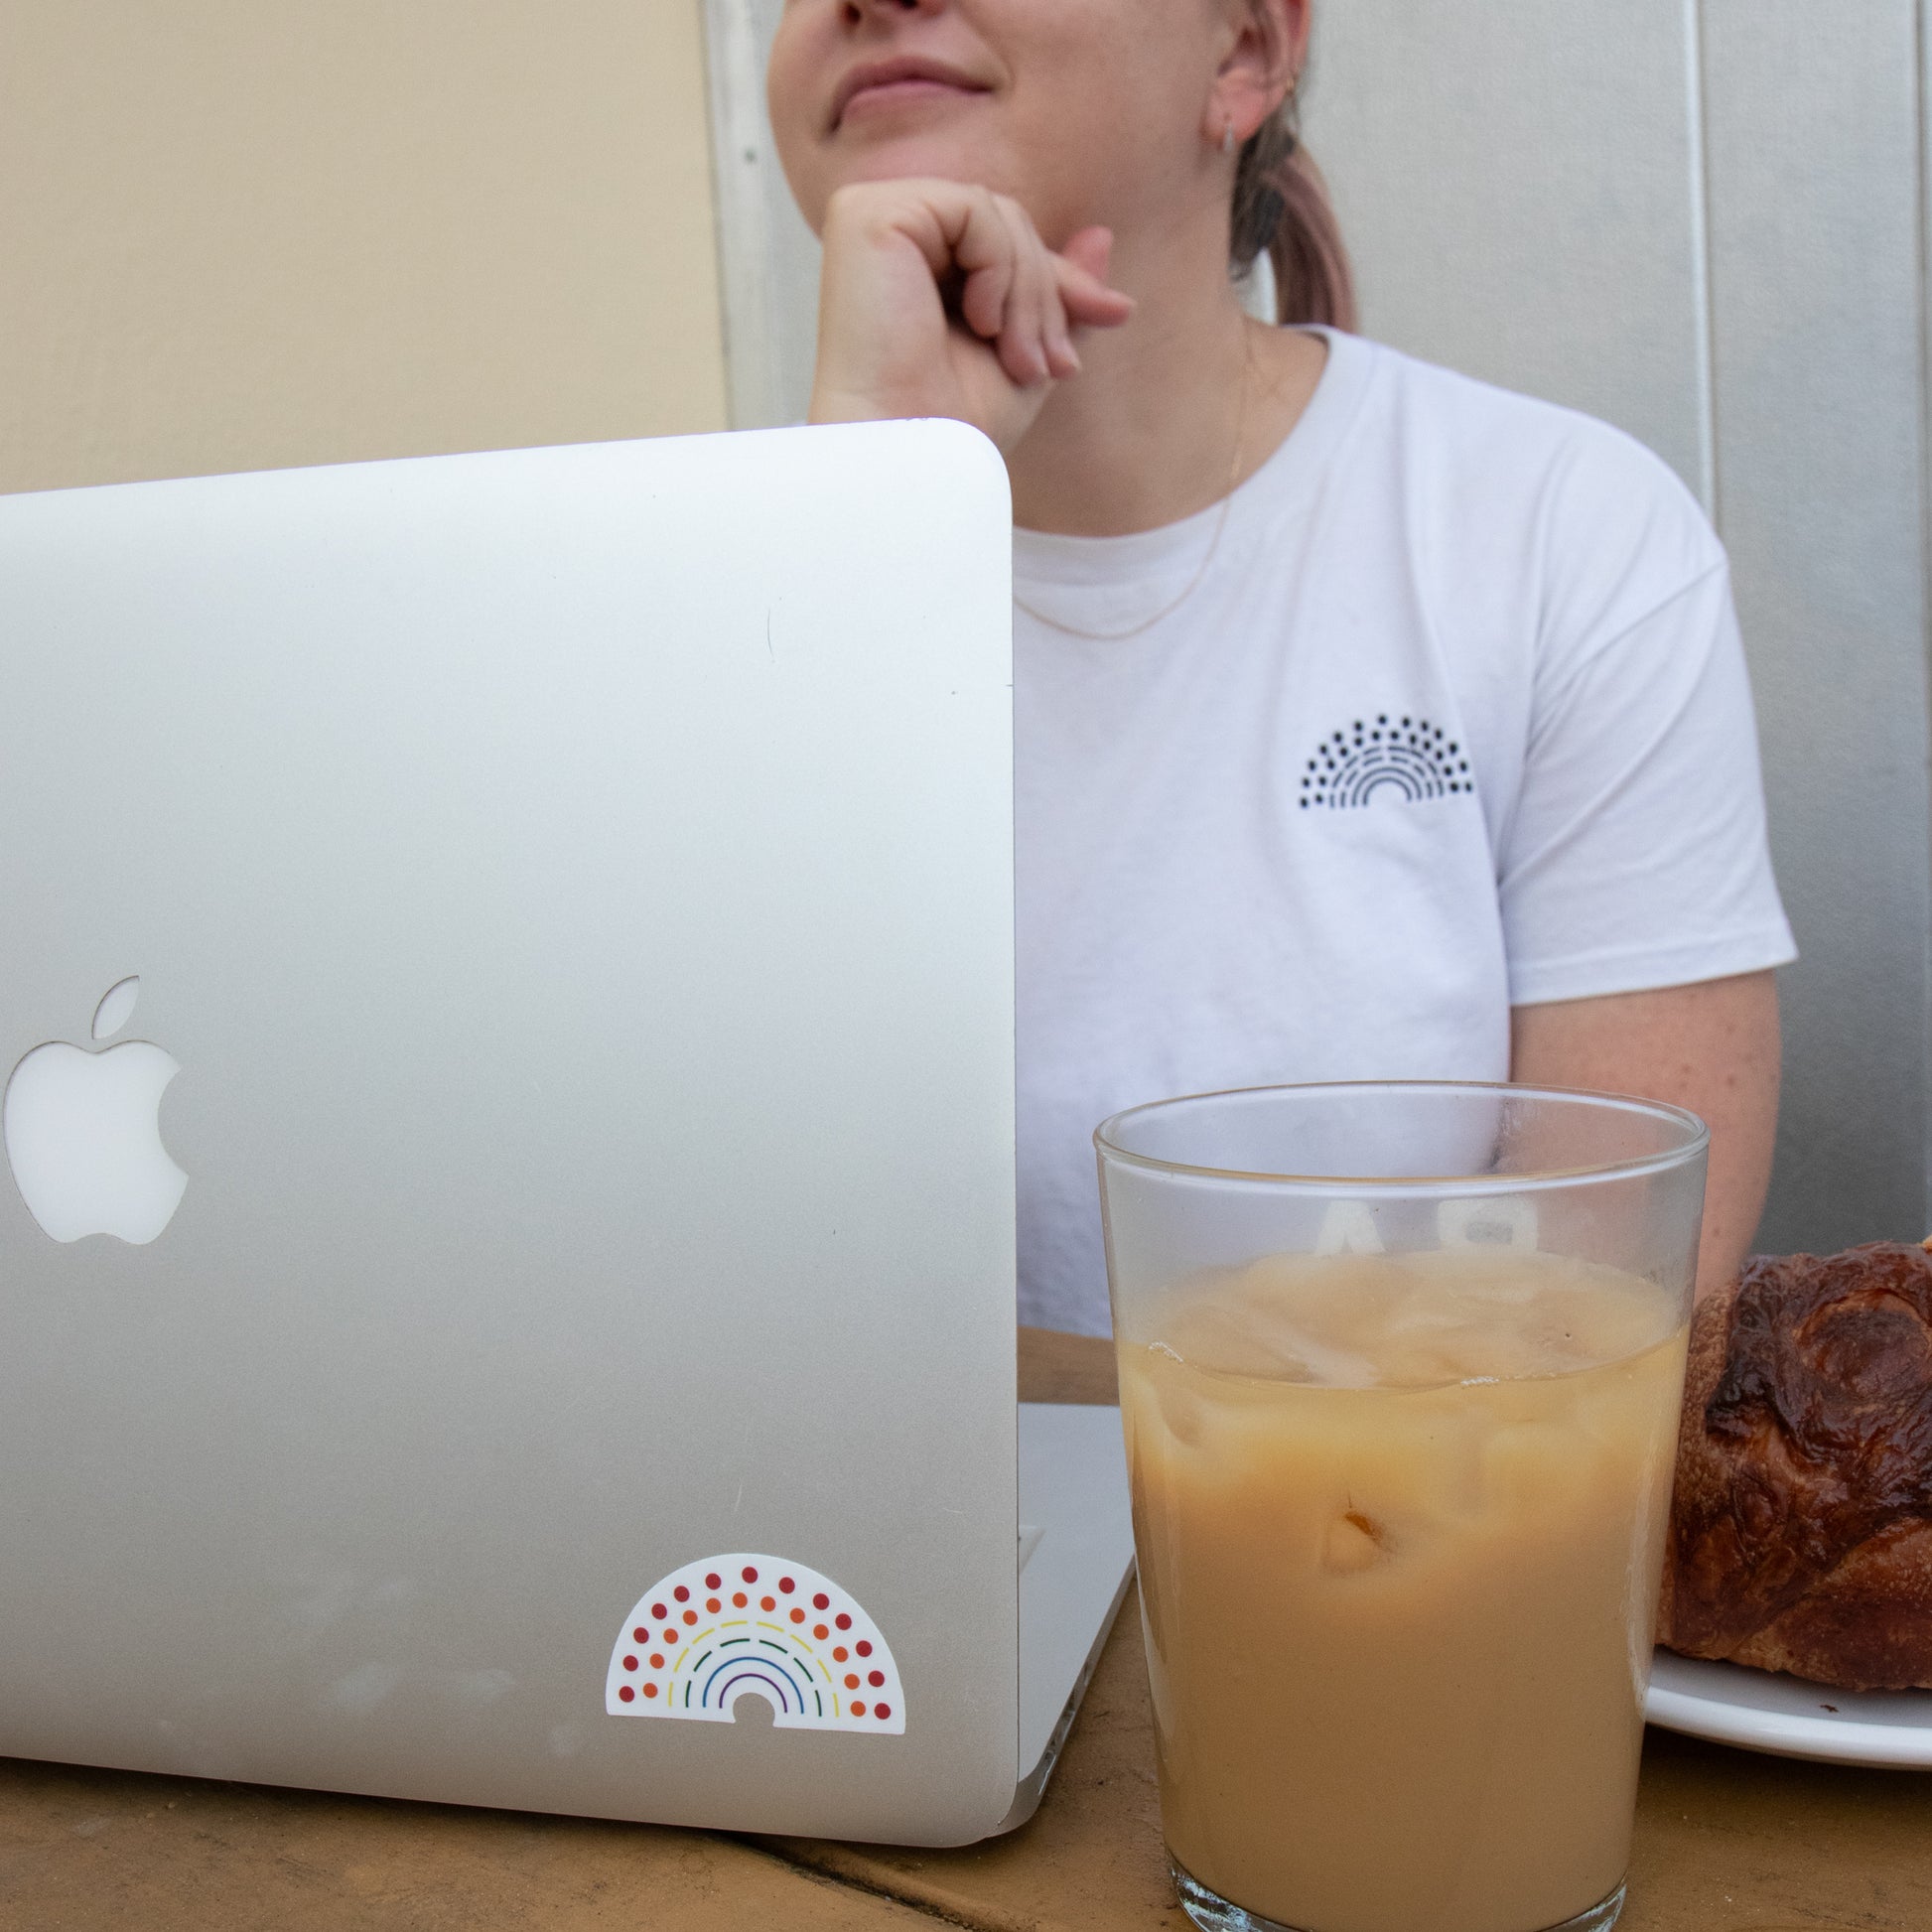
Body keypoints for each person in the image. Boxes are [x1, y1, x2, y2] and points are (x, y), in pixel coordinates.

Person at [766, 0, 1795, 1334]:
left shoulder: (1558, 536)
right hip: (861, 1545)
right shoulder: (697, 616)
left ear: (1243, 51)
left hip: (1411, 1529)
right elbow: (672, 1274)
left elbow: (1605, 1315)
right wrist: (867, 512)